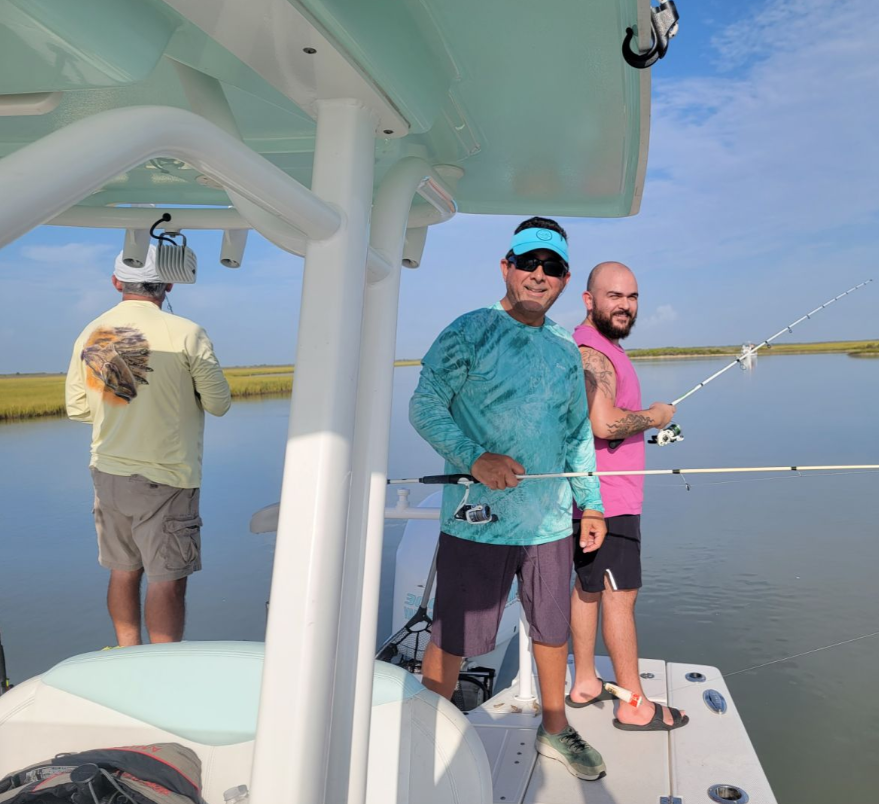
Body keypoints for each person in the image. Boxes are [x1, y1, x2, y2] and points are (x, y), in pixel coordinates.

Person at [409, 217, 609, 780]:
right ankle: (427, 738)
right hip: (478, 521)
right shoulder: (469, 330)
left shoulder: (566, 348)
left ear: (565, 280)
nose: (538, 275)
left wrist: (590, 502)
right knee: (455, 634)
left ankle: (555, 728)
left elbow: (575, 434)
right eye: (528, 263)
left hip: (548, 523)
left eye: (551, 267)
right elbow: (424, 406)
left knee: (551, 630)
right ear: (507, 267)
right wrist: (476, 458)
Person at [65, 245, 231, 646]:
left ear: (117, 282)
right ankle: (164, 665)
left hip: (107, 474)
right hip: (167, 476)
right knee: (167, 579)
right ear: (168, 283)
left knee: (122, 570)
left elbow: (77, 409)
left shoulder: (91, 332)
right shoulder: (187, 332)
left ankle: (126, 653)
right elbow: (219, 404)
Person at [567, 261, 688, 731]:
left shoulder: (594, 348)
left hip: (587, 498)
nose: (624, 305)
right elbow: (604, 422)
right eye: (614, 295)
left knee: (588, 589)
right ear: (589, 300)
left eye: (632, 297)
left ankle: (585, 683)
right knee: (621, 596)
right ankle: (632, 704)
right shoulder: (592, 351)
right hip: (609, 500)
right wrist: (654, 416)